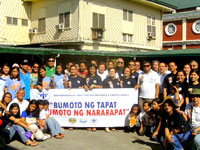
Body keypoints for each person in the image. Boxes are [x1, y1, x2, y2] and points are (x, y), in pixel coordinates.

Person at [103, 67, 120, 132]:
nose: (112, 73)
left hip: (116, 99)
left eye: (113, 71)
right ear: (108, 73)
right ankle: (107, 126)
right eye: (110, 72)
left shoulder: (117, 80)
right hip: (108, 99)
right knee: (108, 113)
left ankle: (112, 125)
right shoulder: (105, 80)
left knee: (114, 113)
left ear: (115, 73)